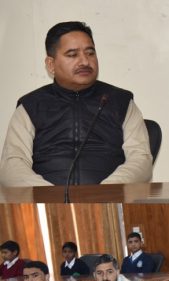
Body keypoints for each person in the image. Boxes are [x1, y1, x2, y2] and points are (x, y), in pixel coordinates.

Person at [0, 21, 152, 187]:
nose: (85, 62)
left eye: (90, 53)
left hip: (110, 198)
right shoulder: (31, 106)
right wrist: (48, 195)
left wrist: (107, 191)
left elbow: (141, 160)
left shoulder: (121, 102)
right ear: (51, 64)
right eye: (72, 55)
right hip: (45, 199)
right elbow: (12, 165)